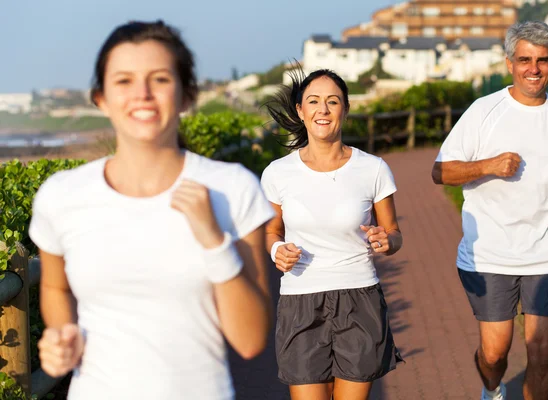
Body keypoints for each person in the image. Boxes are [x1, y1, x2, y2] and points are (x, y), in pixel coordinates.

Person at [29, 20, 274, 399]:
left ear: (187, 95)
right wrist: (62, 336)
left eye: (159, 79)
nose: (142, 93)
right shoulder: (61, 195)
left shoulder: (231, 188)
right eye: (124, 81)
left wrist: (213, 241)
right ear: (101, 99)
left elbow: (251, 340)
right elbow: (54, 284)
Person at [432, 21, 548, 400]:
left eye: (542, 60)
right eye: (525, 59)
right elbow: (440, 171)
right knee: (495, 353)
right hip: (490, 253)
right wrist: (486, 166)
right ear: (510, 62)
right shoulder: (483, 111)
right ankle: (492, 389)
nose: (534, 69)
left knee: (541, 351)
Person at [260, 68, 404, 400]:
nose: (322, 110)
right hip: (300, 301)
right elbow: (271, 230)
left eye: (332, 101)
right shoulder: (278, 173)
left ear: (345, 109)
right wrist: (276, 250)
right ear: (300, 111)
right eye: (313, 101)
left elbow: (394, 233)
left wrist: (387, 240)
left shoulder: (373, 169)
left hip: (359, 298)